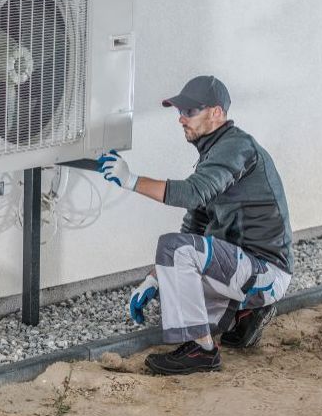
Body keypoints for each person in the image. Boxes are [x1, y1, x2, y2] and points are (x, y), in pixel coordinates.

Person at [97, 75, 293, 375]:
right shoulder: (214, 155)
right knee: (172, 284)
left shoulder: (236, 146)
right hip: (245, 268)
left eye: (190, 112)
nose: (181, 120)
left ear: (216, 113)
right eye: (180, 112)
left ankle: (201, 352)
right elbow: (194, 225)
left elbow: (191, 193)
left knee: (174, 255)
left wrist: (130, 180)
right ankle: (244, 316)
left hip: (265, 270)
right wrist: (155, 277)